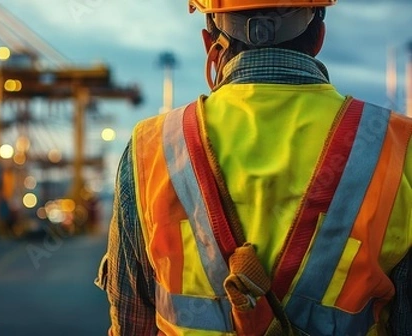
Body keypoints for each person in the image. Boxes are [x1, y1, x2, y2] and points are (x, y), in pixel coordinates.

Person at [95, 0, 412, 335]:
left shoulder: (151, 148)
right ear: (319, 35)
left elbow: (132, 323)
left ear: (209, 42)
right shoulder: (397, 147)